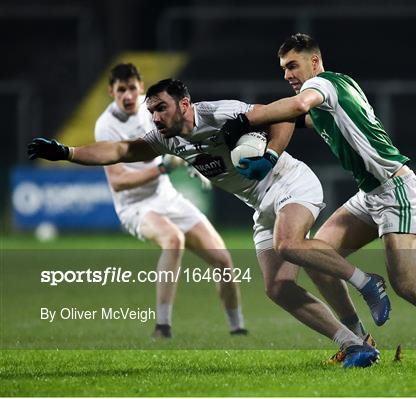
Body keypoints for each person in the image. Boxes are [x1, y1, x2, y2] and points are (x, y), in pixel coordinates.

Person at [28, 78, 384, 368]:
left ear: (184, 104)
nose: (155, 118)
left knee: (287, 244)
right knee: (277, 288)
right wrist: (67, 152)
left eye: (161, 108)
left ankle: (367, 282)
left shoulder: (221, 113)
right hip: (260, 204)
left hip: (289, 182)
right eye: (150, 111)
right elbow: (121, 151)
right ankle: (353, 344)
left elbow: (281, 117)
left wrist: (270, 155)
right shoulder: (164, 138)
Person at [221, 33, 416, 367]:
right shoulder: (325, 98)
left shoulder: (326, 84)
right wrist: (270, 150)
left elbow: (296, 107)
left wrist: (246, 120)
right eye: (283, 68)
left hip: (397, 190)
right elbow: (291, 117)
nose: (287, 74)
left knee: (406, 283)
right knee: (316, 256)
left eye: (293, 65)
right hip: (369, 195)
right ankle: (360, 342)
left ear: (315, 62)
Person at [96, 63, 247, 338]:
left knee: (223, 259)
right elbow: (118, 181)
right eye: (121, 90)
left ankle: (237, 329)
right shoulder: (106, 126)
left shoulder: (151, 111)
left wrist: (194, 162)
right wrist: (165, 167)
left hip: (166, 196)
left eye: (132, 88)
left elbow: (182, 137)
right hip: (135, 206)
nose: (127, 95)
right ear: (111, 92)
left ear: (141, 87)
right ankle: (162, 326)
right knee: (173, 239)